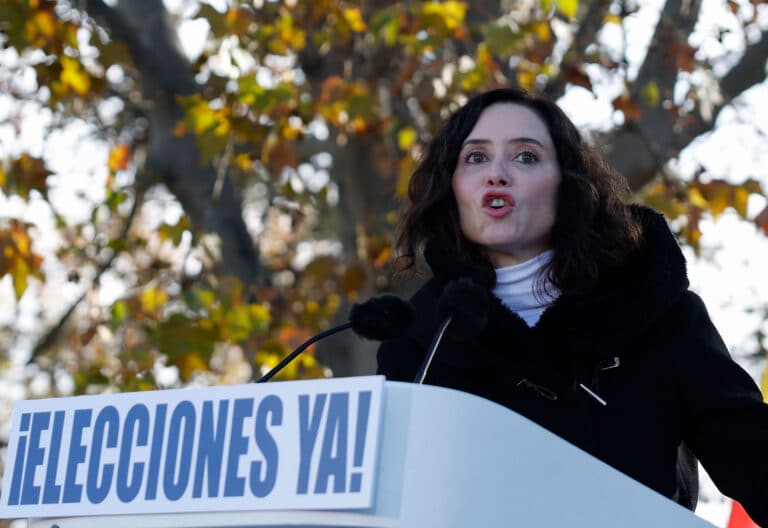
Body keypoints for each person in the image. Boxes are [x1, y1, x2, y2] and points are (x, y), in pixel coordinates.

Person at [376, 88, 768, 525]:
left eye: (524, 157)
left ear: (569, 184)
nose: (496, 174)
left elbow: (754, 459)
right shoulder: (420, 343)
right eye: (475, 158)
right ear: (451, 186)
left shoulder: (661, 314)